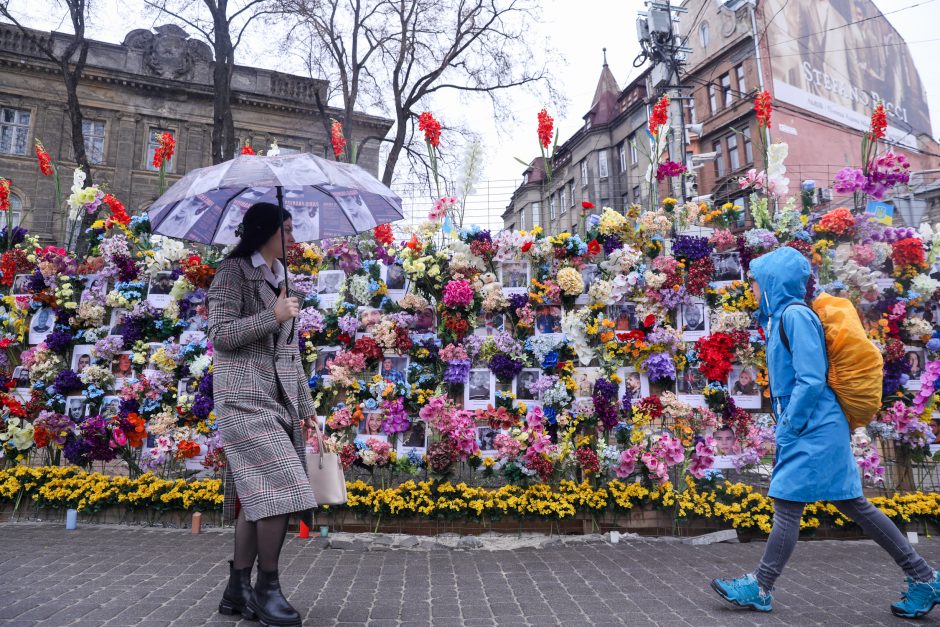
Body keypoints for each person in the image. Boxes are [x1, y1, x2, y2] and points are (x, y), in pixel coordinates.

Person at [712, 246, 940, 619]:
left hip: (813, 426)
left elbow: (811, 378)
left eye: (755, 280)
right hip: (813, 425)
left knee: (788, 504)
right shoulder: (782, 317)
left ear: (773, 281)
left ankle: (760, 586)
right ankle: (923, 576)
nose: (750, 287)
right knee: (853, 504)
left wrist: (788, 426)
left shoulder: (795, 316)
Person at [208, 202, 317, 626]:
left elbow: (291, 354)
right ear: (264, 232)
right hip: (241, 399)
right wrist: (271, 316)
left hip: (278, 403)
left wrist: (306, 410)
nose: (292, 238)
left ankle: (237, 590)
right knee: (283, 488)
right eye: (286, 230)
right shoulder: (231, 273)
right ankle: (266, 589)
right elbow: (220, 334)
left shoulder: (283, 279)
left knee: (257, 499)